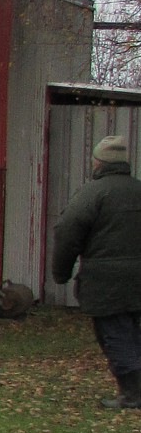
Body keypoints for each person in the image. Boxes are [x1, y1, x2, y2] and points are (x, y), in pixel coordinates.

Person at [51, 135, 141, 409]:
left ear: (98, 163)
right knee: (134, 333)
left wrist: (61, 272)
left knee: (115, 334)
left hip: (106, 283)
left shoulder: (92, 194)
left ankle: (132, 393)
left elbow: (67, 233)